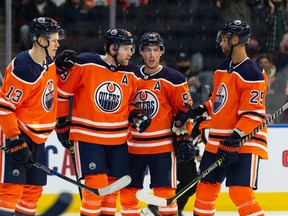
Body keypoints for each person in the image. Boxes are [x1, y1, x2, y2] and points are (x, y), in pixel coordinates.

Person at [172, 20, 268, 216]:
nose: (221, 43)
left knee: (240, 193)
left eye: (224, 39)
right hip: (217, 142)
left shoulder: (252, 72)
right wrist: (195, 111)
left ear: (235, 39)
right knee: (204, 192)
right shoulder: (222, 70)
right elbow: (217, 103)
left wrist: (234, 139)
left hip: (244, 142)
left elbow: (253, 114)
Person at [55, 28, 150, 216]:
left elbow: (129, 102)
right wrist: (61, 122)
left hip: (118, 138)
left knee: (113, 187)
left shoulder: (131, 72)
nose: (131, 53)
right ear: (113, 48)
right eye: (127, 49)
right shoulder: (85, 63)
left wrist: (136, 115)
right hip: (88, 136)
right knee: (96, 184)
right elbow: (62, 93)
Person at [0, 17, 72, 216]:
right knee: (11, 189)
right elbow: (5, 108)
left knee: (33, 190)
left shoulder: (47, 62)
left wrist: (59, 67)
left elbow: (43, 87)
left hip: (38, 137)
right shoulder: (24, 69)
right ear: (40, 40)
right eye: (54, 40)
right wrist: (14, 140)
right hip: (19, 135)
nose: (58, 44)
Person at [119, 32, 193, 216]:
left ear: (162, 52)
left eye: (155, 50)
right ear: (141, 53)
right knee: (128, 194)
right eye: (147, 50)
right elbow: (123, 105)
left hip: (162, 148)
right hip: (133, 146)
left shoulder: (174, 78)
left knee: (165, 195)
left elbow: (184, 111)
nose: (152, 55)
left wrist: (184, 136)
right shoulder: (129, 74)